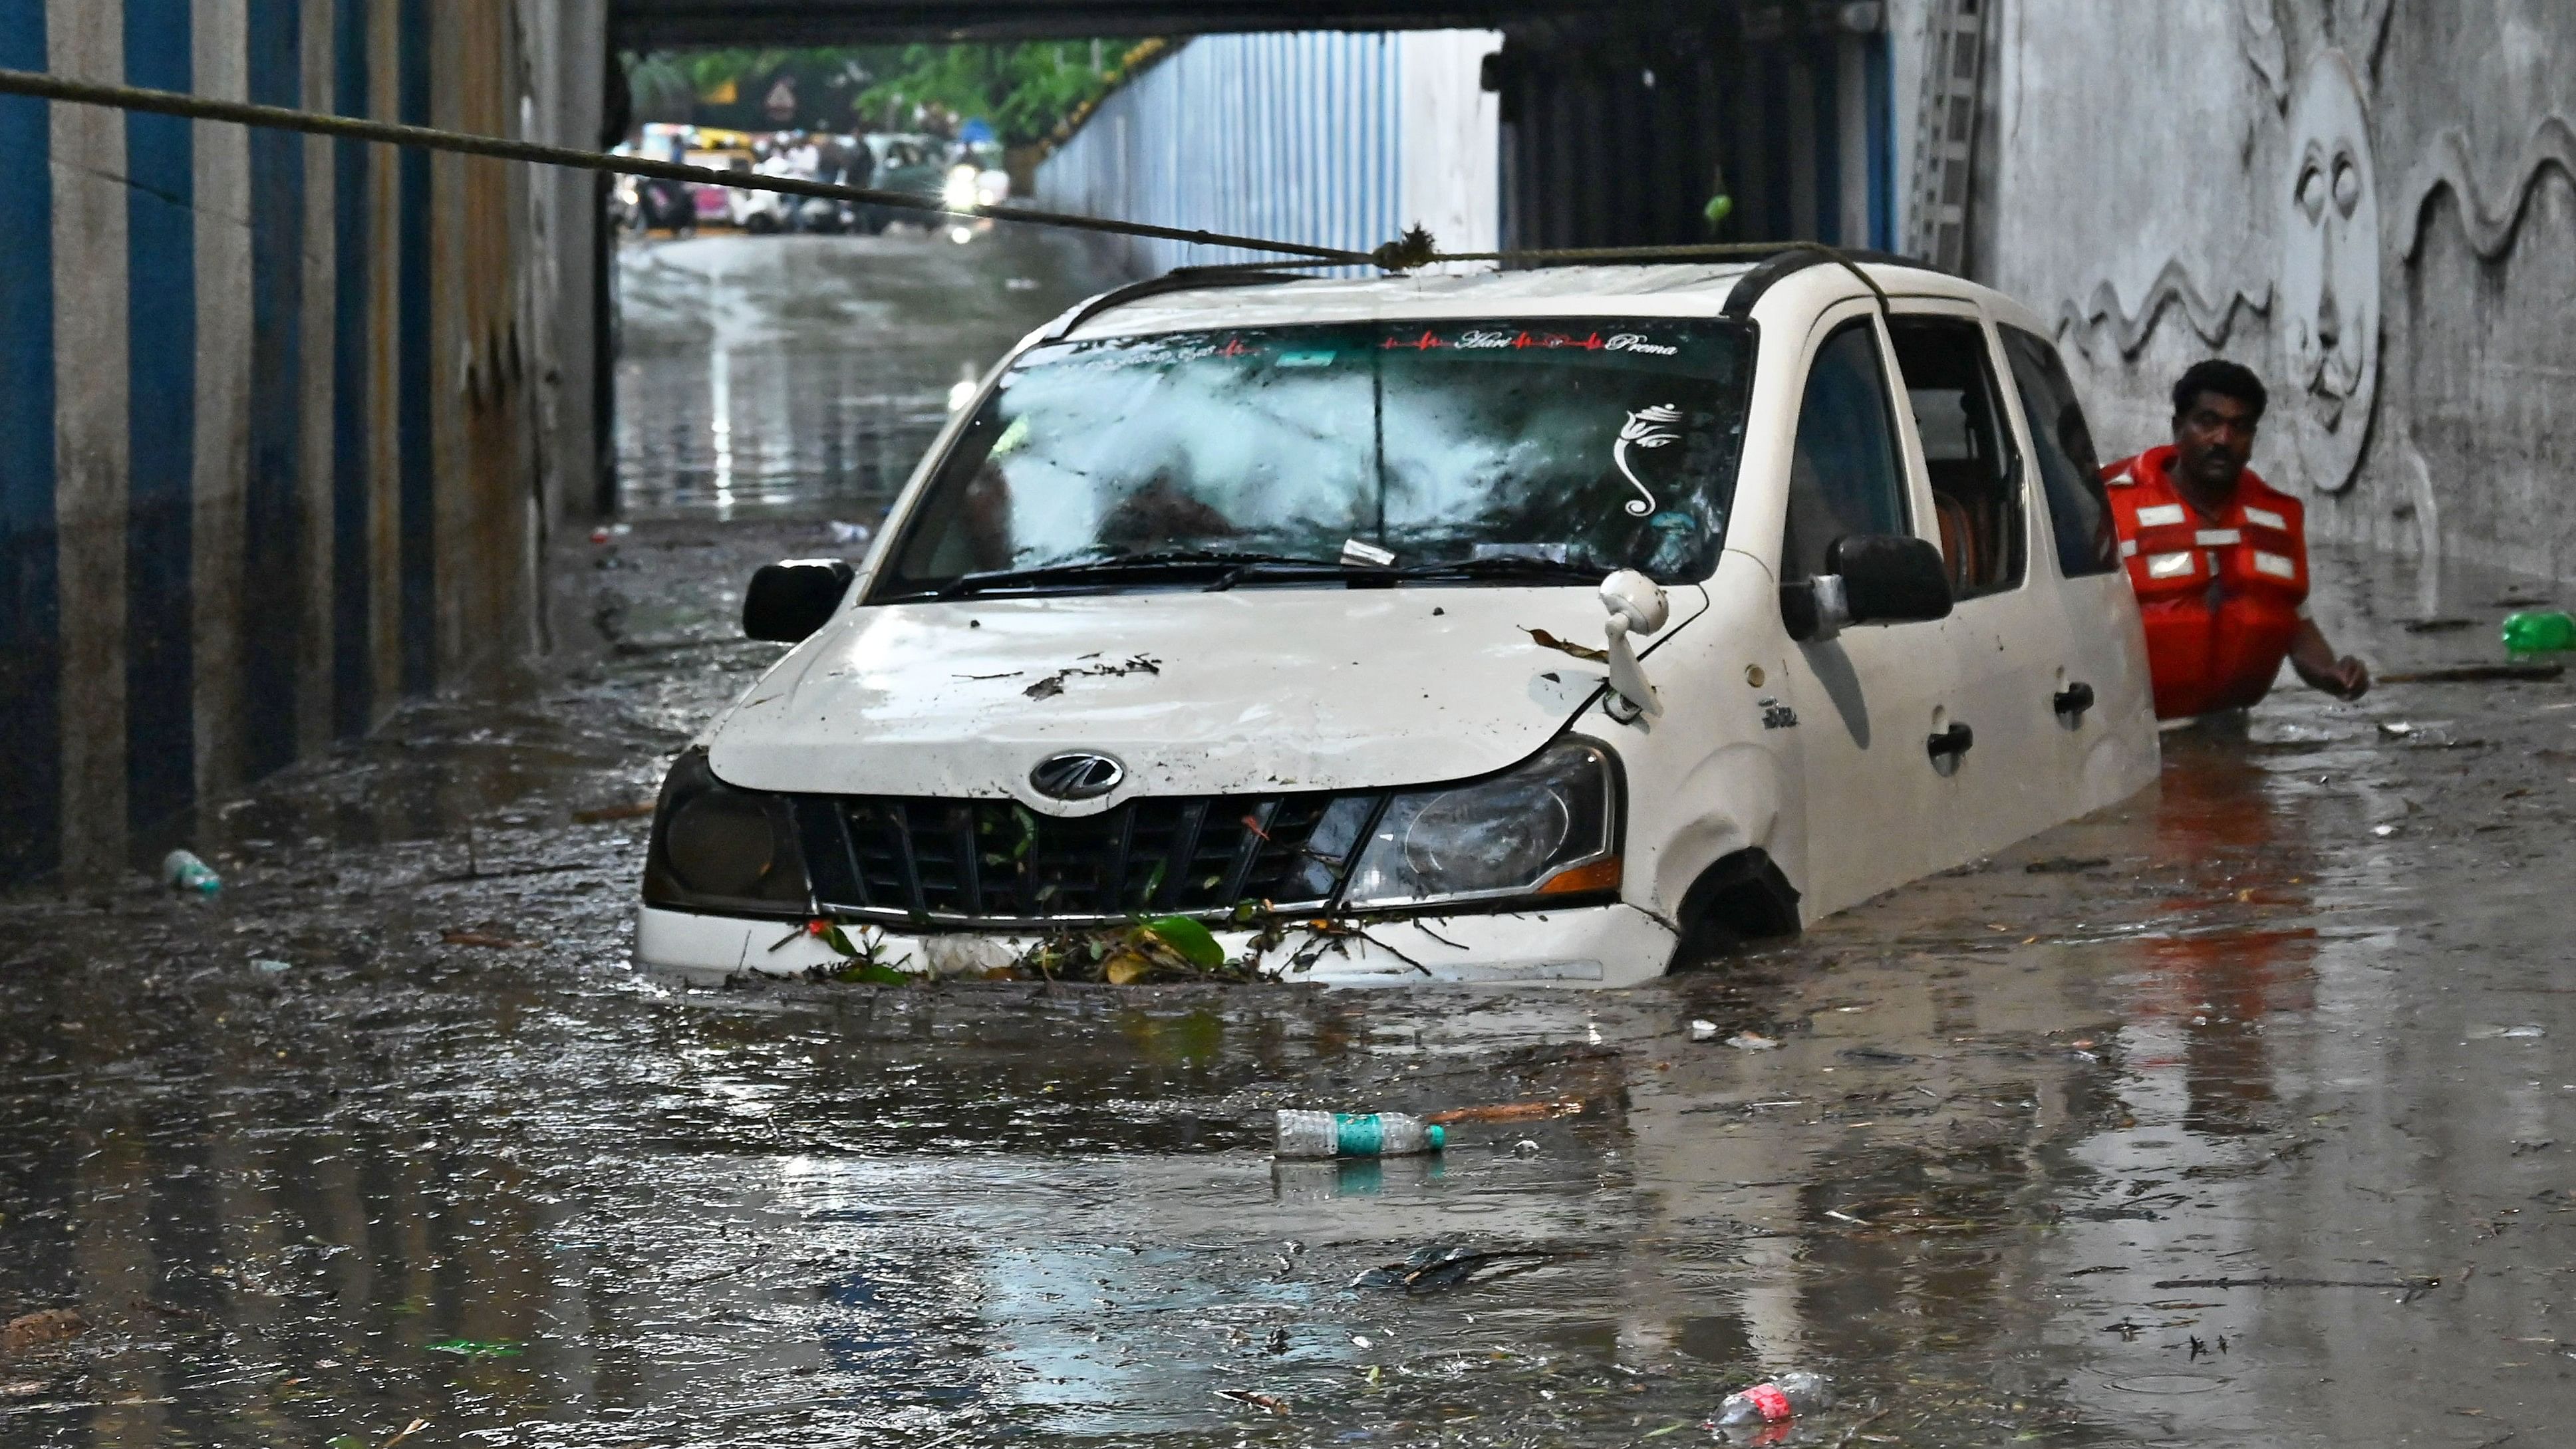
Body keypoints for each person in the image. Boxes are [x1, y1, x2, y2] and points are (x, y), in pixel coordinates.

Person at [2102, 360, 2368, 721]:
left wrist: (2331, 672)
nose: (2223, 440)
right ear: (2178, 428)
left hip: (2229, 729)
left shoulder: (2273, 519)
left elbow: (2293, 622)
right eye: (2208, 423)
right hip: (2134, 733)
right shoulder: (2109, 511)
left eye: (2240, 427)